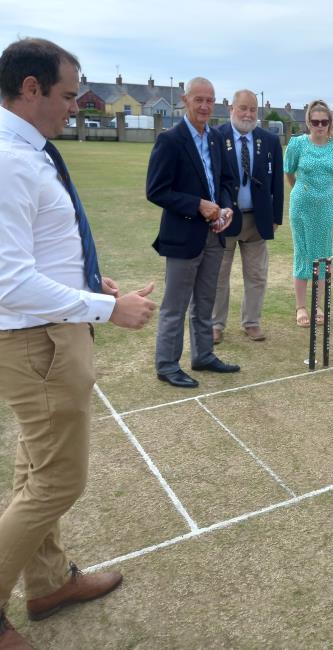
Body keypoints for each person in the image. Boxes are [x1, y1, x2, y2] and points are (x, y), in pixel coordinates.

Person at [0, 38, 156, 649]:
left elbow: (34, 254)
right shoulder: (10, 160)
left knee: (33, 470)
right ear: (31, 88)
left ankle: (46, 584)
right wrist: (106, 307)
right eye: (67, 95)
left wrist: (89, 282)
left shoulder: (29, 154)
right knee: (56, 482)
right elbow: (8, 280)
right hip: (37, 344)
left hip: (49, 334)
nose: (73, 107)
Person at [146, 77, 240, 389]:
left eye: (209, 100)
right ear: (185, 101)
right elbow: (156, 190)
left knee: (205, 301)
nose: (204, 106)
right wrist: (197, 204)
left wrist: (225, 207)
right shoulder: (170, 140)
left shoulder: (216, 139)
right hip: (183, 236)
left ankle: (203, 355)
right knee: (175, 305)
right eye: (198, 99)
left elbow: (226, 181)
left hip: (215, 235)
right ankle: (167, 365)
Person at [212, 89, 284, 343]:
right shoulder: (216, 137)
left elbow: (277, 182)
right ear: (231, 109)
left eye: (253, 109)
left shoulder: (270, 140)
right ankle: (216, 325)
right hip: (225, 218)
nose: (248, 114)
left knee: (256, 275)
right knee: (219, 275)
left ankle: (251, 322)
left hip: (258, 218)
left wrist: (276, 217)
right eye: (243, 108)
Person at [284, 99, 333, 326]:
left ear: (330, 122)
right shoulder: (297, 144)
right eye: (315, 121)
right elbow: (289, 172)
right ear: (308, 122)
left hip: (327, 206)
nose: (320, 125)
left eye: (324, 121)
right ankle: (301, 307)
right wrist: (303, 190)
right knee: (302, 253)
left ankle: (318, 305)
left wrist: (324, 192)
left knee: (323, 255)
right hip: (301, 205)